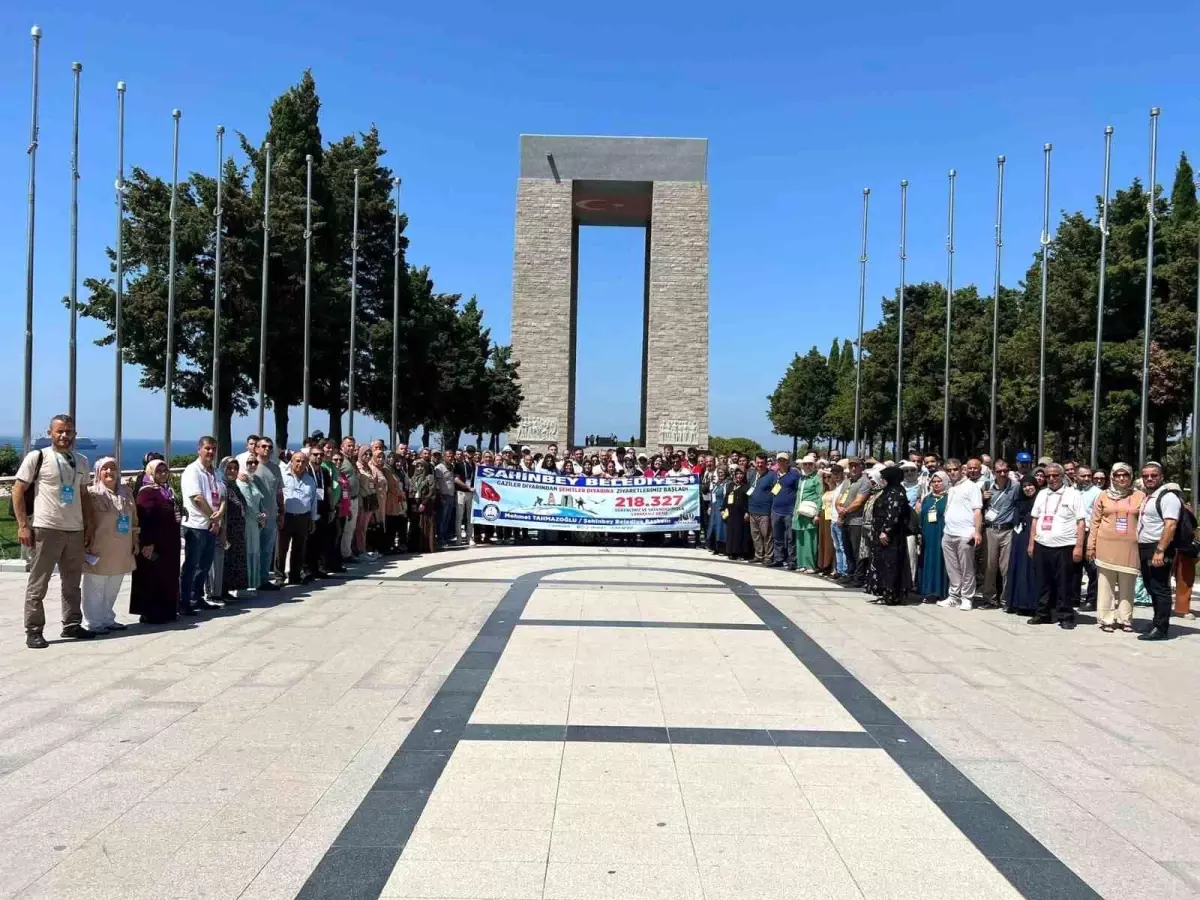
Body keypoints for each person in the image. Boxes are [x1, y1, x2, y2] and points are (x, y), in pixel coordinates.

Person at [13, 414, 94, 647]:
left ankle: (71, 624)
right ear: (50, 432)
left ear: (74, 434)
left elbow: (84, 496)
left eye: (68, 431)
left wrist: (89, 527)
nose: (64, 436)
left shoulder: (81, 460)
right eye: (59, 431)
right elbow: (18, 490)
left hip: (75, 529)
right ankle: (34, 630)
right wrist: (23, 526)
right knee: (39, 583)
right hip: (46, 528)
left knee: (72, 583)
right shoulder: (38, 457)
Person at [81, 456, 138, 634]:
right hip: (99, 545)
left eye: (112, 468)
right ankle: (93, 621)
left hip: (121, 546)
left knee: (114, 583)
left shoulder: (126, 493)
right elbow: (84, 519)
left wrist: (135, 539)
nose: (109, 472)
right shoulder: (92, 493)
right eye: (105, 469)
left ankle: (107, 617)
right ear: (98, 472)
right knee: (95, 585)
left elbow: (134, 518)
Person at [1027, 463, 1086, 629]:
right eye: (1048, 476)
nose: (1051, 479)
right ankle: (1043, 613)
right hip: (1042, 544)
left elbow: (1081, 522)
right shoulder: (1041, 494)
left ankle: (1065, 615)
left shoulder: (1073, 494)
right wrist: (1031, 544)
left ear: (1062, 476)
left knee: (1064, 583)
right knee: (1043, 581)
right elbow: (1035, 520)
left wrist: (1079, 547)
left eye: (1055, 476)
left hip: (1065, 545)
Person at [1087, 463, 1143, 633]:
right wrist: (1091, 546)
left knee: (1127, 585)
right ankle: (1106, 619)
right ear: (1112, 476)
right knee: (1105, 585)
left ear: (1131, 477)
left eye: (1125, 475)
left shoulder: (1139, 496)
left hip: (1130, 547)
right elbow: (1095, 522)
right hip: (1105, 546)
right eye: (1118, 475)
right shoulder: (1103, 496)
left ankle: (1125, 619)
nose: (1121, 478)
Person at [131, 459, 181, 624]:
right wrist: (148, 542)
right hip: (155, 542)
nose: (162, 474)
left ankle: (167, 610)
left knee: (168, 576)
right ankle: (151, 612)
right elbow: (145, 518)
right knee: (153, 577)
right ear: (150, 472)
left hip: (169, 541)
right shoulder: (147, 492)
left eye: (165, 471)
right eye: (158, 471)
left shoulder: (166, 490)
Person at [180, 436, 224, 615]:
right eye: (207, 448)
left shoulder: (217, 472)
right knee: (191, 565)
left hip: (212, 525)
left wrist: (218, 516)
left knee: (205, 565)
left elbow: (222, 496)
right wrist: (214, 519)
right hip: (196, 525)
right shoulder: (192, 471)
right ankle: (184, 601)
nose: (211, 452)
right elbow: (197, 498)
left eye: (213, 448)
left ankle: (197, 597)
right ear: (199, 449)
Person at [1136, 462, 1179, 641]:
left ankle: (1161, 629)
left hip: (1159, 547)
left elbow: (1170, 525)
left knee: (1160, 588)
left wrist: (1160, 550)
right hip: (1146, 547)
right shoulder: (1149, 496)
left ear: (1161, 477)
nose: (1149, 479)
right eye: (1146, 476)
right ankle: (1157, 621)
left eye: (1153, 475)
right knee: (1150, 586)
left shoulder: (1168, 497)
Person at [939, 459, 983, 611]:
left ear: (961, 469)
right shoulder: (951, 488)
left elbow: (977, 510)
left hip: (965, 533)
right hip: (949, 532)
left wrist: (977, 531)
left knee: (967, 568)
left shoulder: (972, 487)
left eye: (955, 469)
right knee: (952, 568)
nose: (952, 472)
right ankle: (954, 597)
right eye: (949, 470)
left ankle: (967, 597)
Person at [866, 466, 912, 605]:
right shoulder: (887, 491)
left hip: (891, 537)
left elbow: (894, 514)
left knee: (891, 564)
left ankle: (892, 594)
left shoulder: (897, 492)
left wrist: (886, 530)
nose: (883, 480)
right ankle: (884, 592)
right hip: (880, 534)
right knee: (883, 563)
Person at [980, 458, 1019, 609]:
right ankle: (989, 598)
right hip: (990, 529)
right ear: (994, 472)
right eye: (999, 471)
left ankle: (1006, 599)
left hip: (1007, 530)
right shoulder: (987, 485)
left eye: (1005, 471)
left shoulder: (1015, 487)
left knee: (1006, 567)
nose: (1002, 474)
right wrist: (983, 499)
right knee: (989, 566)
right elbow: (978, 507)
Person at [1003, 475, 1041, 615]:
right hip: (1019, 539)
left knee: (1030, 571)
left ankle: (1030, 604)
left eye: (1030, 485)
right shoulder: (1019, 501)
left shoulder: (1040, 501)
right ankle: (1015, 602)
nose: (1027, 488)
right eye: (1024, 486)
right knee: (1017, 569)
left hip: (1033, 538)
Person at [279, 450, 318, 584]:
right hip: (286, 516)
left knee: (299, 548)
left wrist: (313, 519)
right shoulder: (283, 476)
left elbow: (313, 501)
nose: (300, 464)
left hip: (303, 517)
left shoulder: (310, 480)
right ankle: (279, 577)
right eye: (297, 461)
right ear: (292, 462)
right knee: (281, 548)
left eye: (303, 461)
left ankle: (295, 576)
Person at [217, 457, 250, 599]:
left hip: (237, 531)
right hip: (226, 530)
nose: (232, 471)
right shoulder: (221, 486)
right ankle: (221, 591)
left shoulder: (234, 486)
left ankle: (229, 589)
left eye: (235, 468)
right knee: (225, 562)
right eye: (229, 468)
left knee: (234, 560)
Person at [253, 437, 283, 590]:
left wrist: (281, 511)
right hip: (254, 517)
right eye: (263, 446)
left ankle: (264, 579)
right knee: (254, 550)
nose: (267, 449)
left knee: (267, 550)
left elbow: (279, 492)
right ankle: (252, 580)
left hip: (271, 516)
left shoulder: (276, 468)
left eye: (270, 447)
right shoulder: (251, 466)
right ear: (257, 448)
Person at [237, 456, 268, 596]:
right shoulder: (242, 482)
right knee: (248, 552)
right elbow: (248, 503)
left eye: (255, 462)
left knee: (254, 552)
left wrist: (262, 515)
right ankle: (246, 585)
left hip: (254, 523)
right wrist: (259, 517)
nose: (253, 465)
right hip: (248, 522)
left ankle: (252, 584)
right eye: (249, 462)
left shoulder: (251, 480)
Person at [917, 471, 950, 601]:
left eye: (939, 481)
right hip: (927, 534)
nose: (936, 484)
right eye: (934, 482)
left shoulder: (949, 498)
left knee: (940, 561)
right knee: (927, 560)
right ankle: (927, 591)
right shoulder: (927, 498)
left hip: (942, 533)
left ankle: (941, 591)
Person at [1074, 464, 1101, 612]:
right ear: (1076, 476)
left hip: (1088, 533)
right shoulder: (1070, 491)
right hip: (1071, 533)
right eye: (1083, 476)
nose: (1086, 478)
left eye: (1088, 476)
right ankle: (1074, 598)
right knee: (1073, 568)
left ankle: (1092, 600)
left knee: (1092, 569)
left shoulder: (1097, 493)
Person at [792, 453, 822, 573]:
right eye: (805, 464)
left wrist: (817, 514)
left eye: (810, 464)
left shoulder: (816, 478)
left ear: (814, 466)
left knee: (810, 540)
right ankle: (801, 563)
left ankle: (810, 565)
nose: (808, 466)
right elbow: (798, 496)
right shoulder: (801, 478)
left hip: (810, 513)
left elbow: (819, 496)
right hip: (799, 512)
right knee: (800, 540)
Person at [746, 453, 777, 564]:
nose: (760, 465)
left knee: (767, 535)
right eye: (758, 462)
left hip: (765, 511)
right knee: (755, 535)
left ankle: (768, 556)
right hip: (752, 509)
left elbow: (776, 490)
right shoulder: (752, 474)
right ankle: (758, 555)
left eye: (762, 463)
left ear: (766, 463)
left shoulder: (772, 475)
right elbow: (749, 491)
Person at [723, 467, 753, 560]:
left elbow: (749, 500)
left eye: (741, 474)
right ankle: (731, 552)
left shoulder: (747, 486)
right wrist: (723, 509)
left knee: (741, 533)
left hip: (742, 514)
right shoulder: (730, 485)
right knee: (731, 533)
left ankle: (741, 553)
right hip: (731, 513)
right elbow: (726, 498)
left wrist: (748, 512)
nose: (739, 476)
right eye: (737, 474)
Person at [339, 437, 361, 562]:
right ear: (342, 447)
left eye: (353, 446)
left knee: (350, 528)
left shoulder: (351, 460)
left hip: (354, 498)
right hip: (345, 500)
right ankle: (344, 554)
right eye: (348, 445)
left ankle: (346, 552)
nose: (351, 448)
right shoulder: (341, 460)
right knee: (345, 528)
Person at [411, 459, 439, 553]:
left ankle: (427, 546)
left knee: (427, 524)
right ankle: (416, 546)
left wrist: (424, 503)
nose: (420, 468)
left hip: (427, 504)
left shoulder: (429, 477)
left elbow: (432, 491)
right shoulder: (413, 478)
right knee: (417, 525)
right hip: (416, 503)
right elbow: (411, 490)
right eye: (418, 466)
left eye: (422, 466)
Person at [816, 469, 838, 575]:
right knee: (823, 542)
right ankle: (824, 565)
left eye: (829, 477)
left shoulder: (837, 490)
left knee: (832, 543)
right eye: (825, 477)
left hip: (832, 518)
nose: (827, 479)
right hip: (823, 517)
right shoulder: (825, 490)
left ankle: (833, 567)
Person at [706, 465, 729, 554]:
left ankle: (723, 548)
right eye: (719, 472)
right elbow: (712, 496)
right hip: (714, 509)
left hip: (721, 508)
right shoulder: (717, 484)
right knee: (713, 528)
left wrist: (725, 508)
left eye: (722, 472)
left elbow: (727, 497)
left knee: (721, 528)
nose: (720, 474)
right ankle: (714, 547)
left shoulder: (727, 483)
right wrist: (710, 506)